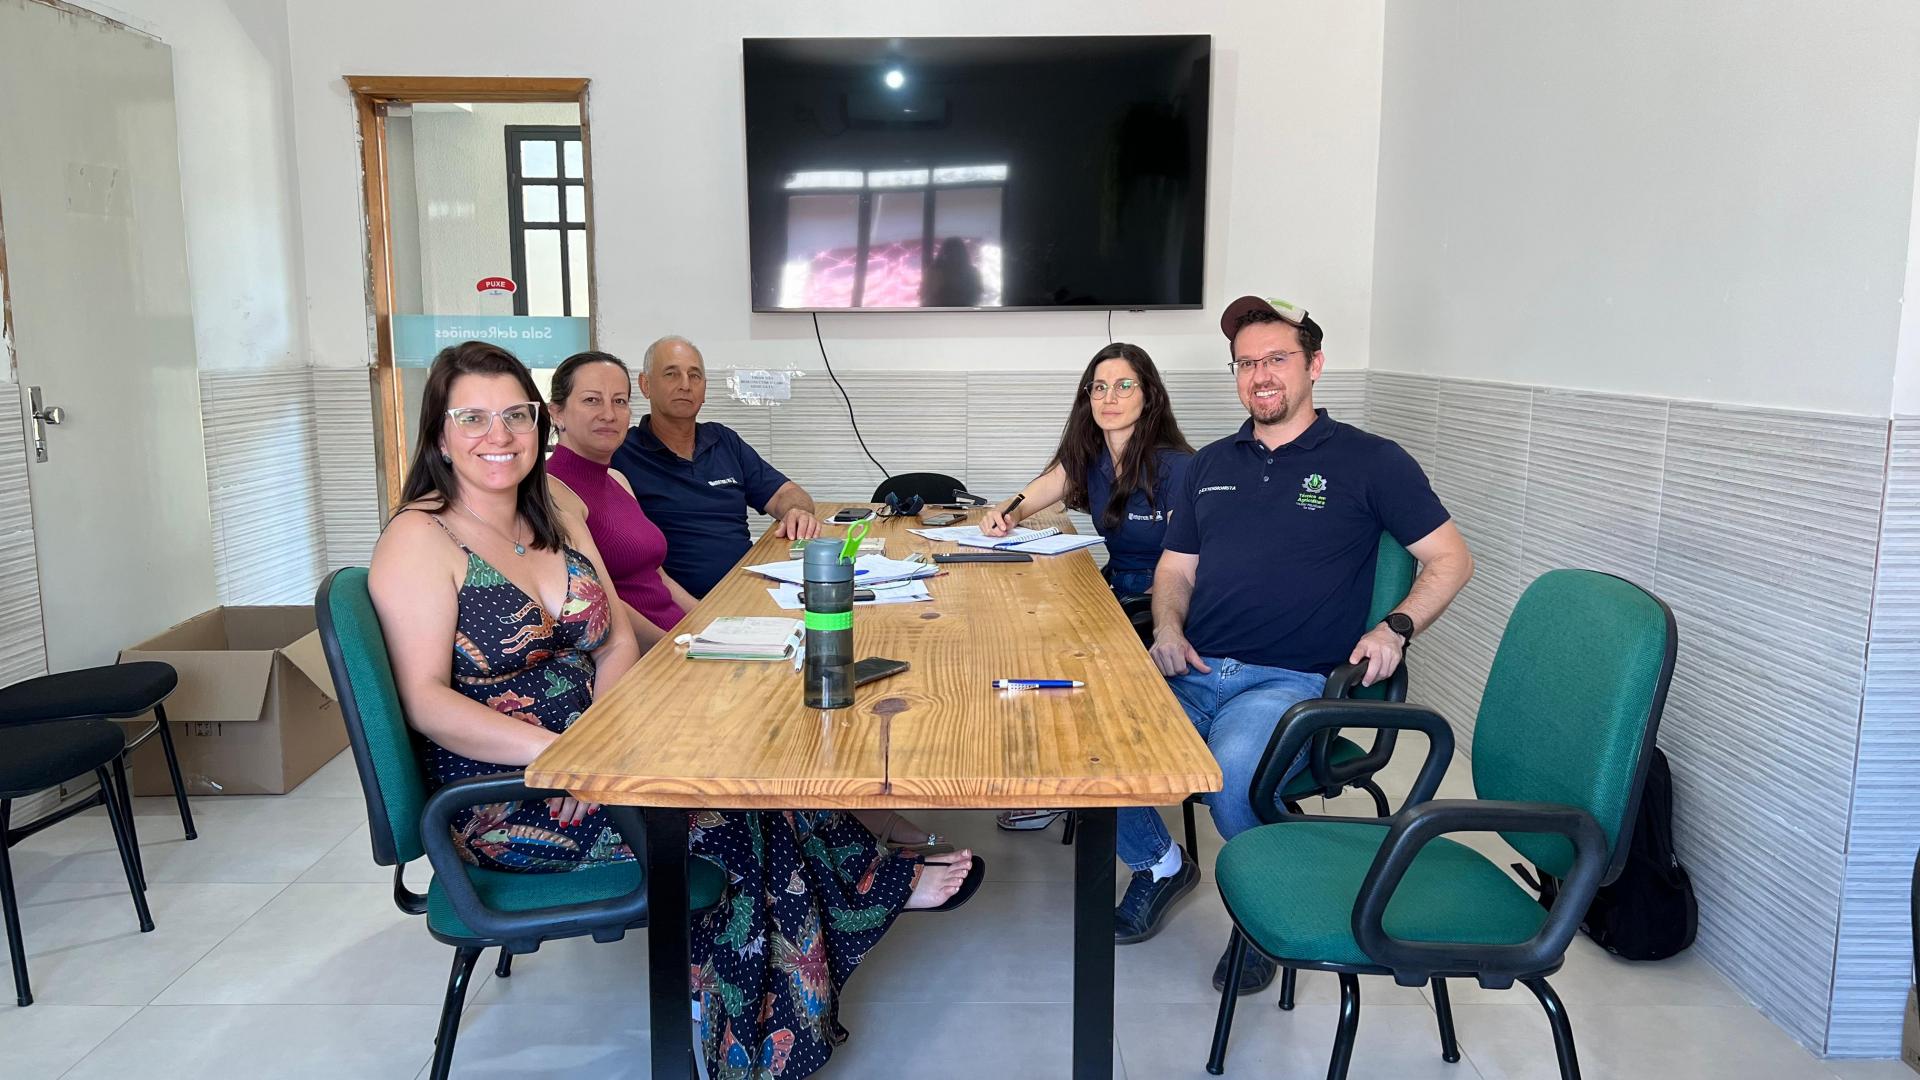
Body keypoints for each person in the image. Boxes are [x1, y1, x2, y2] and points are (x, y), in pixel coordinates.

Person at [369, 341, 977, 1079]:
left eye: (513, 416)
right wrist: (555, 757)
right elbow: (425, 700)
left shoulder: (554, 507)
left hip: (599, 750)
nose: (497, 436)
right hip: (512, 791)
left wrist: (603, 736)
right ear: (439, 432)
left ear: (537, 424)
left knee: (753, 772)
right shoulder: (418, 537)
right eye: (473, 417)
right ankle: (761, 1036)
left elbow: (615, 636)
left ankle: (810, 959)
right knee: (732, 820)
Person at [1113, 297, 1475, 996]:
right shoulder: (1210, 464)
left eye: (1277, 359)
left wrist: (1393, 627)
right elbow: (1174, 569)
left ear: (1313, 365)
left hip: (1289, 682)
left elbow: (1451, 559)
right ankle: (1159, 863)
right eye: (1247, 364)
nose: (1261, 375)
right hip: (1195, 667)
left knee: (1232, 773)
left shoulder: (1372, 461)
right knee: (1092, 746)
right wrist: (1165, 628)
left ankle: (1259, 920)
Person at [980, 341, 1195, 833]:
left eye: (1124, 386)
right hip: (1115, 592)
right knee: (1021, 638)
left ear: (1150, 396)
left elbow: (1191, 566)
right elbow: (1042, 487)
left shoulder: (1178, 467)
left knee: (1062, 676)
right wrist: (1006, 512)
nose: (1109, 397)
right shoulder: (1093, 455)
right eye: (1098, 387)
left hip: (1160, 604)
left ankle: (1077, 784)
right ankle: (1056, 776)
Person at [612, 335, 820, 598]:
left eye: (695, 376)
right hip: (677, 606)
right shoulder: (622, 453)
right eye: (671, 374)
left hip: (747, 589)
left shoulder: (723, 440)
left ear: (705, 389)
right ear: (645, 385)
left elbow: (785, 493)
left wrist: (796, 512)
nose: (685, 385)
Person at [544, 350, 696, 650]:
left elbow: (659, 578)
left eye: (619, 401)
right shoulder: (550, 491)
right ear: (557, 413)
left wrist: (715, 621)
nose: (609, 414)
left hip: (681, 640)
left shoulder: (618, 479)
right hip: (644, 656)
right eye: (591, 400)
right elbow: (603, 606)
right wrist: (675, 650)